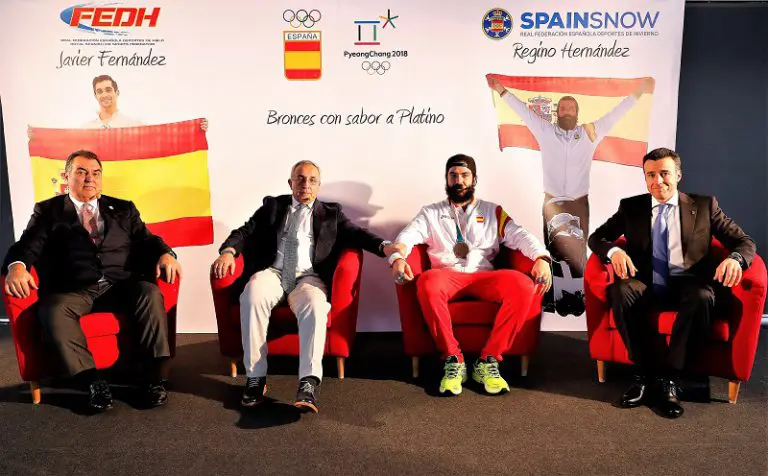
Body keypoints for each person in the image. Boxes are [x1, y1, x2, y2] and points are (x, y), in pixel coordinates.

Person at [211, 160, 401, 413]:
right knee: (252, 296)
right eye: (300, 179)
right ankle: (255, 378)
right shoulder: (272, 206)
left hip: (307, 277)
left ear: (319, 186)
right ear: (290, 183)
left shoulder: (331, 213)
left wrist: (385, 247)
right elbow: (245, 232)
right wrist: (228, 251)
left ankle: (308, 382)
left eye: (312, 180)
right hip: (274, 273)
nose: (305, 185)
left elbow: (357, 234)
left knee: (315, 305)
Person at [2, 150, 182, 412]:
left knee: (149, 292)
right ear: (66, 176)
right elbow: (27, 245)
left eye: (96, 173)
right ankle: (92, 382)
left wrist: (166, 254)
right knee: (52, 309)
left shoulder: (123, 208)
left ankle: (152, 378)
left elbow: (147, 239)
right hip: (76, 290)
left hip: (119, 284)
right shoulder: (49, 211)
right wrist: (17, 266)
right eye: (82, 172)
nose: (90, 178)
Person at [588, 147, 756, 418]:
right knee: (621, 291)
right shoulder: (631, 207)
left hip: (688, 284)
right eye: (650, 175)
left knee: (702, 296)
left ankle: (670, 379)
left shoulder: (704, 206)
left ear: (678, 175)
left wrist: (735, 259)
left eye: (664, 173)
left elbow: (744, 242)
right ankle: (643, 375)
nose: (658, 181)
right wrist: (614, 251)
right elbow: (597, 238)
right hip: (645, 282)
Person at [488, 76, 654, 314]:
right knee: (553, 250)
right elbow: (522, 111)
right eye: (563, 108)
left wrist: (639, 92)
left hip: (578, 202)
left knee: (576, 251)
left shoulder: (590, 133)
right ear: (557, 112)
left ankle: (577, 296)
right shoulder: (544, 130)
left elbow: (617, 113)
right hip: (552, 202)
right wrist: (501, 90)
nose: (566, 111)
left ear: (577, 112)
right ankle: (552, 297)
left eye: (571, 108)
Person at [389, 154, 552, 396]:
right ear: (446, 179)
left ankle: (488, 361)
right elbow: (407, 237)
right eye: (453, 175)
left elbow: (520, 235)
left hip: (484, 277)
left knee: (522, 285)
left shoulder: (493, 211)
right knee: (427, 282)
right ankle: (453, 359)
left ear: (474, 179)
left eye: (465, 175)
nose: (459, 181)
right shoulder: (430, 213)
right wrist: (397, 258)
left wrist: (541, 257)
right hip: (446, 276)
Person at [81, 74, 208, 130]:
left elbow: (161, 136)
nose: (104, 95)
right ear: (95, 96)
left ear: (117, 92)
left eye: (108, 90)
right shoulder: (86, 129)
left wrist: (195, 129)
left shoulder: (132, 125)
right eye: (100, 91)